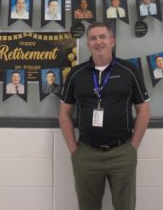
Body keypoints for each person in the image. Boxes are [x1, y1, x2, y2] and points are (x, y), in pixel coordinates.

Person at [59, 22, 150, 210]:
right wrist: (74, 151)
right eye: (93, 38)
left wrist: (132, 147)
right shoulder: (76, 74)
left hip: (122, 152)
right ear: (87, 44)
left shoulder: (129, 71)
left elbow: (144, 110)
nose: (98, 42)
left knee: (125, 206)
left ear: (112, 41)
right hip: (86, 153)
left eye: (103, 37)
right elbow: (64, 113)